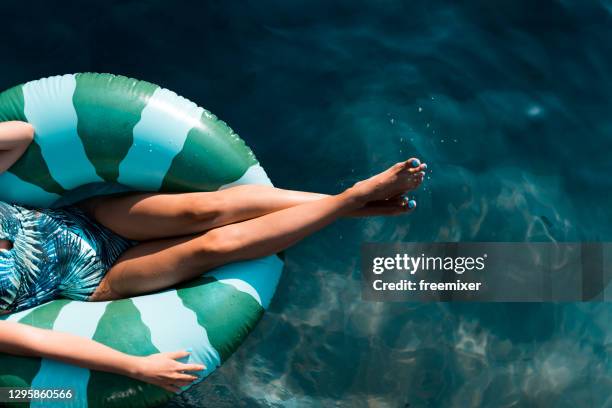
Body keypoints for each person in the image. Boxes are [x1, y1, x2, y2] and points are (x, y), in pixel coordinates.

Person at [0, 120, 427, 391]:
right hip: (99, 280)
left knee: (205, 209)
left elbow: (21, 134)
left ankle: (355, 204)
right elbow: (37, 341)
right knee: (214, 245)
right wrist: (133, 366)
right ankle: (354, 200)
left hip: (87, 221)